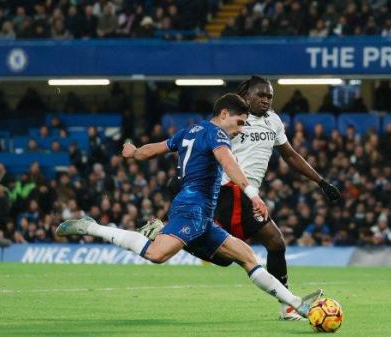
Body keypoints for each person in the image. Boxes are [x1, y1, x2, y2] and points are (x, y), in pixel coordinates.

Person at [55, 93, 321, 317]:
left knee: (247, 257)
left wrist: (134, 152)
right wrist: (254, 195)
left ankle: (298, 305)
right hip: (192, 208)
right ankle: (94, 228)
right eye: (239, 122)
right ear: (225, 113)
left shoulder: (189, 132)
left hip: (202, 214)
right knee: (156, 255)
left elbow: (155, 148)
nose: (240, 129)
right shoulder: (217, 135)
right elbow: (229, 164)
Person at [141, 76, 341, 320]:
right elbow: (204, 148)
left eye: (270, 96)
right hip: (225, 191)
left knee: (257, 249)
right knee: (248, 251)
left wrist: (321, 182)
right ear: (246, 96)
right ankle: (167, 234)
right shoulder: (230, 123)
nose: (266, 100)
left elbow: (289, 155)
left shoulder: (273, 122)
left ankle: (286, 307)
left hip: (247, 195)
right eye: (261, 95)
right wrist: (185, 178)